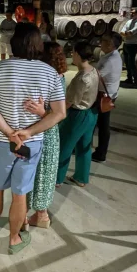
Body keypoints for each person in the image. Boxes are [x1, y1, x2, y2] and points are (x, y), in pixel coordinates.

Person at [0, 23, 66, 254]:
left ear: (15, 42)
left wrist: (9, 133)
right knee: (20, 192)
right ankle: (14, 239)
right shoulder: (50, 73)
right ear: (37, 45)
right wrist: (28, 132)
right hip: (32, 144)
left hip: (2, 141)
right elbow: (60, 113)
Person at [24, 42, 67, 228]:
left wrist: (42, 112)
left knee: (40, 173)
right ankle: (37, 215)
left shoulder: (55, 79)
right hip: (42, 131)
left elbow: (59, 114)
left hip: (46, 131)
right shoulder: (55, 77)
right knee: (39, 172)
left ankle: (37, 215)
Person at [56, 41, 99, 188]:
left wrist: (56, 116)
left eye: (73, 52)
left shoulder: (81, 78)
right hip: (91, 113)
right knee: (84, 147)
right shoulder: (93, 70)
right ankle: (81, 177)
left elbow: (70, 102)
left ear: (78, 55)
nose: (71, 55)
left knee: (64, 146)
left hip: (78, 115)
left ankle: (56, 179)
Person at [92, 32, 123, 163]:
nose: (101, 42)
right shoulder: (113, 56)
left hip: (103, 96)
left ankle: (100, 152)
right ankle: (96, 150)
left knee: (101, 124)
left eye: (104, 40)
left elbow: (95, 76)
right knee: (98, 123)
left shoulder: (110, 60)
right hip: (109, 94)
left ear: (110, 45)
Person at [120, 9, 137, 88]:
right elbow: (122, 31)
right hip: (126, 44)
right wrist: (126, 34)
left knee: (132, 63)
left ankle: (136, 80)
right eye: (131, 13)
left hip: (133, 45)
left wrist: (126, 34)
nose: (132, 14)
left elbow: (131, 32)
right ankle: (129, 78)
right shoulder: (128, 22)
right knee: (127, 63)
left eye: (134, 13)